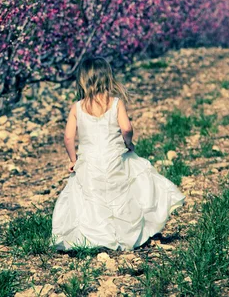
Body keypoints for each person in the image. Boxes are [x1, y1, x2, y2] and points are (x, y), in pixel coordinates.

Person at [51, 55, 185, 251]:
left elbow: (69, 138)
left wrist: (73, 159)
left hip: (89, 160)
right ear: (107, 78)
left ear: (82, 79)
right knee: (126, 191)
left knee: (92, 196)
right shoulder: (115, 103)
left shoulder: (77, 107)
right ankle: (126, 234)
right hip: (114, 157)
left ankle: (96, 237)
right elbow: (127, 128)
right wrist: (128, 144)